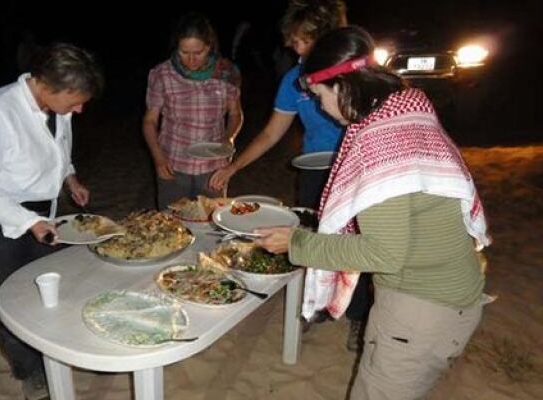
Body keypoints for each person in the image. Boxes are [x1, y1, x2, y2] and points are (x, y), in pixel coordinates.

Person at [254, 26, 491, 399]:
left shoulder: (381, 145)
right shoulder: (408, 109)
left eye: (319, 96)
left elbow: (384, 253)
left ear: (341, 87)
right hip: (451, 300)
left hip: (421, 311)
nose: (321, 109)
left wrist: (298, 243)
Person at [209, 0, 370, 351]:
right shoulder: (292, 81)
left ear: (325, 38)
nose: (291, 47)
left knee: (357, 244)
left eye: (299, 40)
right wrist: (234, 166)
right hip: (313, 169)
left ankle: (359, 316)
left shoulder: (358, 74)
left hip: (359, 172)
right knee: (310, 239)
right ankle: (317, 307)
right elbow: (270, 134)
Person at [0, 42, 104, 400]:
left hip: (41, 214)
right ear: (49, 85)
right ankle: (29, 371)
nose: (80, 109)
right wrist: (27, 221)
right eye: (76, 99)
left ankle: (58, 355)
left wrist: (70, 179)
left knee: (48, 288)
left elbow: (56, 151)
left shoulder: (57, 107)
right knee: (6, 299)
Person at [143, 12, 243, 210]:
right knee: (170, 225)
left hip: (213, 166)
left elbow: (235, 114)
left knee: (211, 222)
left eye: (198, 53)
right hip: (173, 163)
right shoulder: (161, 74)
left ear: (209, 47)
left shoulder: (227, 72)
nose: (190, 60)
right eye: (183, 52)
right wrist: (158, 157)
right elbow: (150, 121)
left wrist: (228, 139)